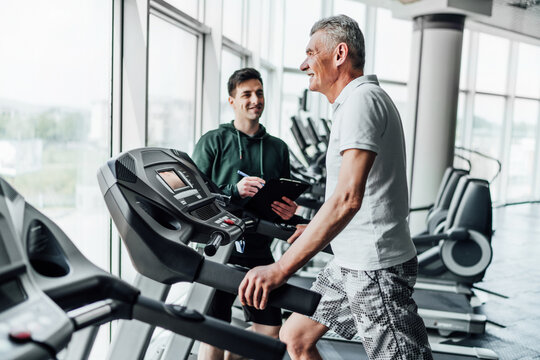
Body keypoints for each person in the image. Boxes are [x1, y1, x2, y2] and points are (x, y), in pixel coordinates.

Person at [238, 15, 433, 360]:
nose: (303, 64)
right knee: (295, 337)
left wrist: (280, 269)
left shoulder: (361, 102)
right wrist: (314, 227)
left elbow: (347, 200)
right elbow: (352, 197)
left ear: (339, 54)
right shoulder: (354, 104)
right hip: (350, 261)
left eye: (311, 53)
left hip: (373, 267)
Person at [192, 67, 299, 360]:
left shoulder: (278, 148)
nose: (255, 100)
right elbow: (196, 195)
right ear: (232, 101)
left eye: (259, 92)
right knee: (213, 332)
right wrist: (233, 191)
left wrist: (289, 212)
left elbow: (284, 203)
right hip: (219, 250)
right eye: (247, 94)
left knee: (269, 333)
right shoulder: (213, 141)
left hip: (259, 251)